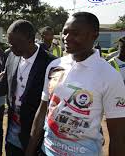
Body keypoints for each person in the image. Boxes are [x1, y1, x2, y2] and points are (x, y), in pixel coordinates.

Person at [26, 12, 125, 156]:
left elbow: (118, 138)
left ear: (94, 35)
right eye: (65, 32)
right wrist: (29, 150)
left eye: (75, 33)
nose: (67, 38)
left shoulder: (109, 76)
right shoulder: (55, 65)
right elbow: (42, 112)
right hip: (46, 151)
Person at [0, 20, 56, 155]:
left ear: (30, 39)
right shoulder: (11, 56)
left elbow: (53, 103)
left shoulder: (50, 63)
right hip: (13, 132)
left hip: (35, 135)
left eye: (14, 43)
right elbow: (3, 87)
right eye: (9, 43)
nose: (10, 47)